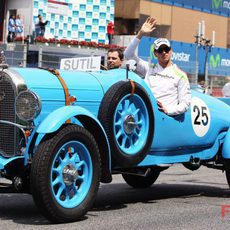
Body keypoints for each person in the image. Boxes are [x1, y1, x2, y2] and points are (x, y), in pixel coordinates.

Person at [124, 17, 191, 116]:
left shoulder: (180, 75)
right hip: (146, 115)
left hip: (166, 118)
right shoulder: (149, 68)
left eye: (166, 49)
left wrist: (168, 110)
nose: (164, 52)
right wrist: (141, 33)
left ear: (171, 51)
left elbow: (185, 103)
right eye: (160, 50)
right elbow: (128, 54)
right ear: (155, 53)